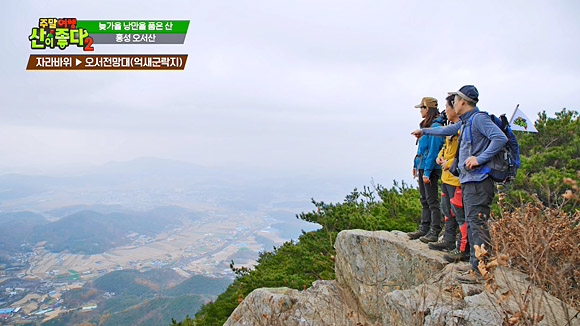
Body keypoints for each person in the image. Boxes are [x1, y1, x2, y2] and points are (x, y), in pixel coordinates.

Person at [411, 85, 507, 283]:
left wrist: (479, 159)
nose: (453, 104)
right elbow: (446, 130)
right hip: (470, 180)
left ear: (463, 102)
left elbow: (500, 138)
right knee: (473, 223)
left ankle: (480, 271)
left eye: (455, 100)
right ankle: (477, 267)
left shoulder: (478, 119)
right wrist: (424, 131)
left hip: (479, 181)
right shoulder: (466, 122)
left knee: (476, 224)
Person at [428, 95, 469, 263]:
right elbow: (445, 148)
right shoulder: (451, 127)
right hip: (446, 178)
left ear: (455, 107)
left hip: (456, 179)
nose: (445, 110)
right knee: (447, 210)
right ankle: (449, 240)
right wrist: (439, 158)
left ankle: (463, 249)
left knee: (459, 213)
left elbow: (465, 153)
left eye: (447, 106)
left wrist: (449, 162)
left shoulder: (462, 129)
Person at [407, 97, 445, 243]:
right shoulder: (427, 128)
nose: (420, 111)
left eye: (422, 108)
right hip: (423, 167)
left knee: (431, 200)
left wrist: (427, 172)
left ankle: (434, 231)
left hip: (430, 168)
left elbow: (433, 152)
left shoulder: (435, 129)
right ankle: (424, 228)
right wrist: (416, 166)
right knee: (424, 199)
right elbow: (421, 149)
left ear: (427, 109)